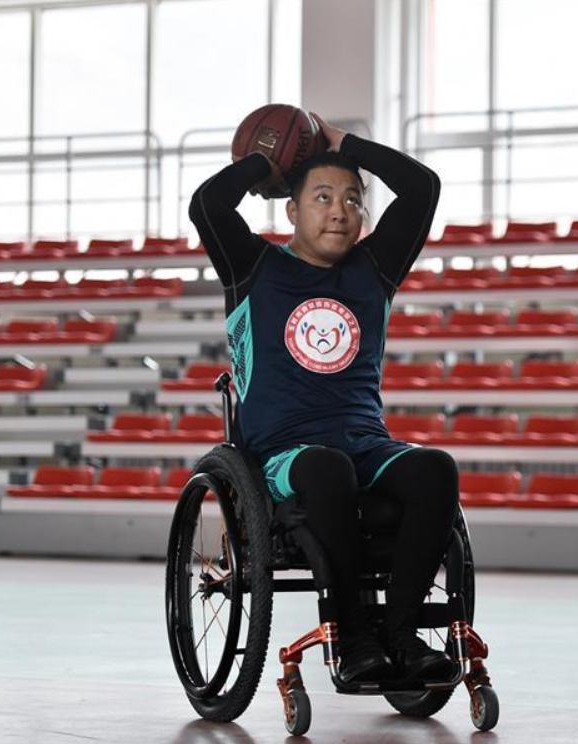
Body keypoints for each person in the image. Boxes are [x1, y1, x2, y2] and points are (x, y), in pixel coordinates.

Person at [188, 115, 458, 685]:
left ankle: (402, 637)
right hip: (282, 453)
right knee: (327, 467)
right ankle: (354, 639)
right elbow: (208, 206)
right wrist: (269, 161)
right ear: (292, 210)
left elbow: (423, 189)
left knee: (436, 469)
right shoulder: (252, 266)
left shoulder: (374, 269)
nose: (340, 210)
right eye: (323, 197)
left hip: (363, 443)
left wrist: (345, 145)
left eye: (353, 200)